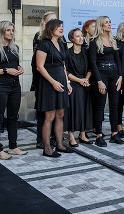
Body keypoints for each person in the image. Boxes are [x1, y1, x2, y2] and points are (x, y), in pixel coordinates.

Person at [0, 21, 26, 160]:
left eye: (12, 30)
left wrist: (20, 69)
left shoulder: (15, 48)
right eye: (8, 30)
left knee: (13, 117)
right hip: (0, 86)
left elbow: (16, 64)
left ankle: (13, 146)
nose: (11, 33)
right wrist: (6, 70)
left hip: (15, 86)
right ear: (1, 31)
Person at [35, 19, 72, 157]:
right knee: (49, 116)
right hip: (49, 83)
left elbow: (63, 65)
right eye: (59, 26)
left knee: (60, 115)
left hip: (61, 81)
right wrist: (53, 82)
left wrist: (67, 82)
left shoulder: (62, 44)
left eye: (63, 26)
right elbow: (40, 66)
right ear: (51, 28)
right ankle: (47, 148)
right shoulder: (43, 44)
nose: (62, 28)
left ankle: (60, 145)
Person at [89, 16, 123, 147]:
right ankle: (99, 135)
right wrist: (98, 81)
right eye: (107, 22)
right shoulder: (93, 41)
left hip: (114, 74)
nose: (110, 24)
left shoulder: (112, 40)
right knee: (100, 107)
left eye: (110, 22)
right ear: (101, 25)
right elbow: (93, 62)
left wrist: (120, 76)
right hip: (101, 74)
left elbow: (118, 60)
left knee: (114, 105)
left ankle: (114, 133)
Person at [32, 11, 59, 148]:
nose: (55, 22)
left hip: (57, 76)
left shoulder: (60, 37)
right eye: (51, 20)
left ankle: (54, 137)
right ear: (44, 23)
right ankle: (41, 139)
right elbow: (39, 62)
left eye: (56, 19)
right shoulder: (40, 37)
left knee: (56, 109)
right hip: (43, 77)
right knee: (44, 109)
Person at [65, 28, 93, 147]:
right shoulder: (67, 53)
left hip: (85, 84)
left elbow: (91, 67)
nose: (81, 38)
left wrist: (86, 79)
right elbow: (66, 71)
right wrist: (79, 80)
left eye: (82, 36)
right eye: (77, 36)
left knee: (85, 109)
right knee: (72, 110)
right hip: (73, 85)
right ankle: (71, 136)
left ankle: (82, 134)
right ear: (71, 39)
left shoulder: (86, 52)